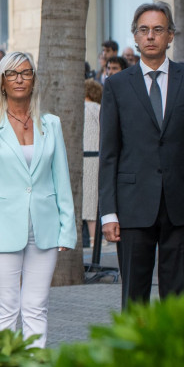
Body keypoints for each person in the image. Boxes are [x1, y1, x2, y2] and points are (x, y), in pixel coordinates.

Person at [98, 2, 184, 307]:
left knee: (178, 295)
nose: (151, 36)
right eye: (144, 30)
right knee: (134, 295)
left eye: (158, 30)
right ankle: (135, 354)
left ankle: (177, 353)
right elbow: (109, 154)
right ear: (135, 37)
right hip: (133, 205)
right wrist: (108, 212)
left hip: (181, 203)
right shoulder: (116, 86)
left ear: (171, 36)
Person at [0, 52, 76, 347]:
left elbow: (61, 179)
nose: (19, 79)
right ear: (2, 81)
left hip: (45, 227)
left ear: (34, 80)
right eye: (12, 74)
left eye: (26, 73)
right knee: (5, 308)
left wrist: (67, 227)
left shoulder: (51, 124)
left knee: (36, 306)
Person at [82, 79, 103, 245]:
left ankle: (93, 238)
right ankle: (95, 238)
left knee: (88, 198)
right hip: (95, 157)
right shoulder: (98, 109)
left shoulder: (83, 108)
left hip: (85, 157)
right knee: (92, 198)